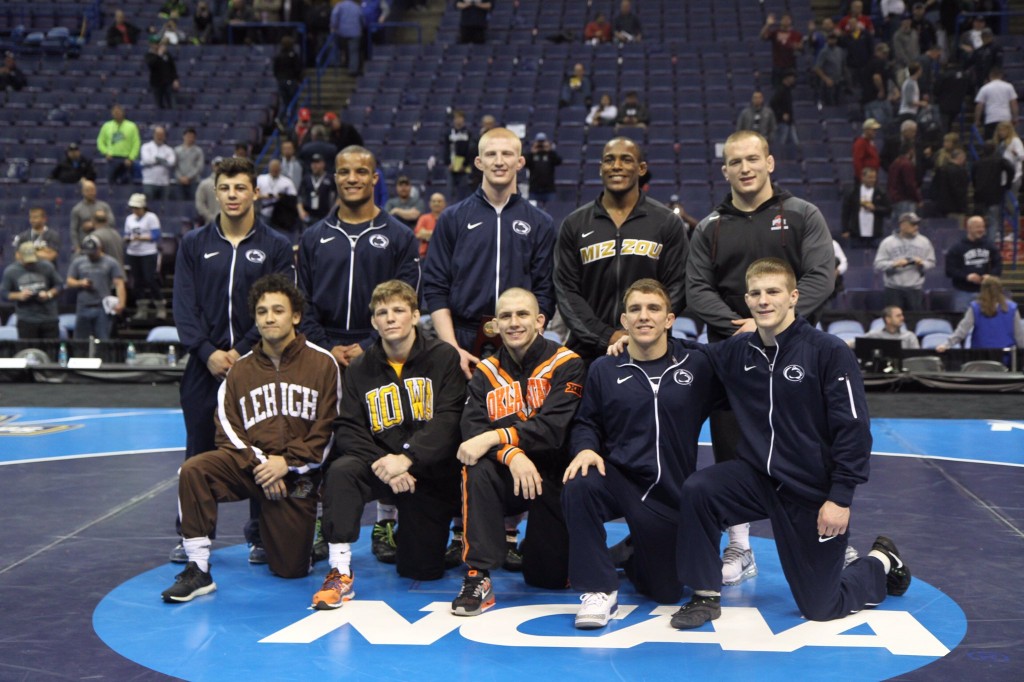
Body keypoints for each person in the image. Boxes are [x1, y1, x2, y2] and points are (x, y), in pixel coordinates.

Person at [671, 257, 910, 630]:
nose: (764, 300)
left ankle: (880, 561)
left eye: (773, 292)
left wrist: (840, 497)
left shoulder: (828, 351)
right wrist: (637, 339)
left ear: (793, 297)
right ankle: (704, 594)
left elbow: (854, 429)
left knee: (822, 606)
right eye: (756, 293)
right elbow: (688, 353)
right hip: (757, 479)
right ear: (746, 301)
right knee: (701, 489)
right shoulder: (738, 352)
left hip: (811, 490)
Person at [686, 130, 835, 586]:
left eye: (753, 159)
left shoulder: (802, 214)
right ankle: (741, 547)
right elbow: (697, 289)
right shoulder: (711, 226)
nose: (745, 168)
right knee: (733, 448)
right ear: (725, 169)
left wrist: (774, 320)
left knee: (805, 445)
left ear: (770, 163)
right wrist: (744, 326)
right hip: (733, 360)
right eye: (736, 162)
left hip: (797, 353)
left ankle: (825, 536)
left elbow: (821, 277)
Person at [161, 274, 340, 603]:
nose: (269, 318)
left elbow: (328, 429)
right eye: (261, 312)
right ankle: (198, 567)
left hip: (295, 476)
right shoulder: (240, 370)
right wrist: (263, 464)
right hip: (251, 469)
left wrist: (286, 464)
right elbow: (227, 428)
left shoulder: (323, 363)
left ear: (295, 316)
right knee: (195, 470)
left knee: (291, 569)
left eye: (278, 310)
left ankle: (302, 535)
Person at [564, 279, 716, 629]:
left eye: (653, 309)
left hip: (669, 494)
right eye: (635, 310)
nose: (644, 316)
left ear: (669, 319)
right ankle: (598, 590)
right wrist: (586, 448)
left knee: (664, 592)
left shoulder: (697, 364)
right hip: (620, 479)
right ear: (624, 320)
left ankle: (632, 551)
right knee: (580, 483)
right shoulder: (604, 368)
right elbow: (587, 420)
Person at [171, 157, 296, 564]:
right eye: (225, 188)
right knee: (199, 450)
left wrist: (241, 352)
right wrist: (206, 353)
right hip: (202, 367)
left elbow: (276, 306)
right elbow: (183, 306)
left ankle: (260, 534)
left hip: (257, 364)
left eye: (241, 187)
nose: (233, 195)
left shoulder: (275, 245)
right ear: (215, 192)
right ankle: (193, 536)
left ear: (255, 193)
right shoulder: (193, 244)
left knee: (261, 447)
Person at [311, 280, 465, 608]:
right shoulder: (359, 367)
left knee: (420, 569)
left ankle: (453, 534)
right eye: (382, 312)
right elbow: (349, 428)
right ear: (373, 322)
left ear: (415, 316)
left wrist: (408, 458)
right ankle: (339, 570)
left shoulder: (443, 357)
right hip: (381, 467)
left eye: (398, 310)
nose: (390, 318)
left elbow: (449, 420)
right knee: (341, 470)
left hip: (429, 471)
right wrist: (387, 464)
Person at [450, 287, 585, 616]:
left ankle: (542, 547)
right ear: (494, 325)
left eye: (522, 314)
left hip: (553, 474)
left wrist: (499, 438)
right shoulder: (485, 373)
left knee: (547, 578)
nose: (514, 322)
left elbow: (553, 429)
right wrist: (512, 454)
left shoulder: (567, 363)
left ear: (540, 321)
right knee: (476, 467)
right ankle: (477, 575)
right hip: (508, 474)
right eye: (505, 316)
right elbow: (472, 437)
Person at [422, 127, 556, 379]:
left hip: (520, 338)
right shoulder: (453, 218)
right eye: (491, 154)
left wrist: (530, 343)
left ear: (520, 162)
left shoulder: (541, 222)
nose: (499, 161)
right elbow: (435, 286)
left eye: (507, 154)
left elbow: (545, 290)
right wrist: (451, 347)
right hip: (461, 338)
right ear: (478, 162)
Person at [554, 138, 687, 363]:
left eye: (626, 159)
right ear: (600, 169)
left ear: (641, 168)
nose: (616, 166)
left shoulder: (666, 222)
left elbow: (678, 286)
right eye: (609, 160)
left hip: (651, 348)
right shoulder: (575, 224)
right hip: (587, 351)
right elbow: (566, 292)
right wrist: (607, 335)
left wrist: (642, 331)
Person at [297, 145, 420, 370]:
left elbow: (407, 300)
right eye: (344, 172)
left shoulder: (401, 236)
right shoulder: (313, 237)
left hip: (383, 347)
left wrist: (370, 343)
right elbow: (302, 300)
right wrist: (325, 346)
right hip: (322, 351)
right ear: (335, 178)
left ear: (374, 178)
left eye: (361, 172)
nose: (352, 179)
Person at [937, 277, 1024, 356]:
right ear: (1000, 289)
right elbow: (1019, 336)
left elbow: (962, 330)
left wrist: (946, 344)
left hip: (980, 356)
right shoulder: (1012, 308)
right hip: (1006, 356)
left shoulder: (975, 307)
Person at [64, 236, 127, 341]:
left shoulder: (111, 262)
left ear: (100, 247)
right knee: (80, 340)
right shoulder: (78, 262)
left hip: (102, 307)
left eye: (93, 252)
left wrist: (121, 303)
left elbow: (119, 284)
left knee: (103, 339)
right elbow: (69, 281)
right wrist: (80, 283)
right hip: (83, 306)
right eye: (88, 252)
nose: (91, 255)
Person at [873, 211, 935, 311]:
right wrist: (894, 264)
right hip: (893, 289)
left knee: (914, 321)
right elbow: (878, 264)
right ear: (902, 225)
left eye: (917, 224)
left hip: (915, 289)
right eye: (913, 224)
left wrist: (922, 263)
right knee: (894, 320)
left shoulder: (924, 242)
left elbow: (931, 262)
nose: (916, 227)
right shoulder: (888, 242)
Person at [0, 242, 62, 340]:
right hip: (26, 319)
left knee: (51, 352)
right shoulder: (11, 271)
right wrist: (19, 295)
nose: (30, 263)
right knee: (28, 352)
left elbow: (59, 285)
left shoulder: (47, 266)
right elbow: (4, 293)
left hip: (49, 318)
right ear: (19, 255)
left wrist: (49, 294)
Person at [945, 215, 1002, 313]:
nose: (981, 230)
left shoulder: (990, 246)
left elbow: (998, 265)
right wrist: (967, 276)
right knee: (961, 320)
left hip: (986, 292)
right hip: (963, 292)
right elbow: (949, 270)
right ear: (969, 228)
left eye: (983, 227)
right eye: (978, 227)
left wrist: (990, 276)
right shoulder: (956, 248)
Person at [122, 193, 165, 321]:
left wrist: (140, 238)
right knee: (137, 281)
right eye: (133, 208)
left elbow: (156, 235)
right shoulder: (129, 218)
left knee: (150, 279)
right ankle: (142, 308)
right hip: (133, 252)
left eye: (137, 208)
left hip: (148, 252)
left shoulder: (151, 217)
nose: (135, 210)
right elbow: (126, 233)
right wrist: (127, 239)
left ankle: (160, 306)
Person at [841, 166, 891, 248]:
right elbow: (846, 212)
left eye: (874, 177)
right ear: (863, 177)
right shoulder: (853, 192)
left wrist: (875, 208)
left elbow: (888, 210)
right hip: (856, 233)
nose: (873, 180)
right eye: (870, 177)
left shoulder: (881, 192)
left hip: (875, 234)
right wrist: (845, 229)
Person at [96, 104, 141, 186]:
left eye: (118, 112)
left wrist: (131, 158)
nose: (117, 113)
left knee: (127, 184)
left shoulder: (131, 126)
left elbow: (136, 143)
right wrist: (105, 152)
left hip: (126, 159)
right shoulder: (106, 126)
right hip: (112, 159)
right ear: (112, 113)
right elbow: (100, 141)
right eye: (115, 112)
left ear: (123, 113)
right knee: (111, 183)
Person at [974, 67, 1018, 141]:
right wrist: (1015, 118)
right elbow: (1014, 104)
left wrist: (977, 120)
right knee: (1006, 142)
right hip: (1005, 118)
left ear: (990, 76)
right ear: (1001, 76)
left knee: (991, 143)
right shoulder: (1008, 87)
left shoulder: (985, 88)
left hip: (991, 119)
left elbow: (979, 105)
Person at [760, 12, 803, 89]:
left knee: (788, 91)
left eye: (788, 19)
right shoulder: (776, 32)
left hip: (790, 67)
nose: (786, 21)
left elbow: (801, 50)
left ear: (791, 21)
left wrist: (797, 47)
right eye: (784, 19)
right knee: (777, 90)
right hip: (777, 67)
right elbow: (762, 37)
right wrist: (768, 25)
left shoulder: (796, 34)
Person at [256, 158, 299, 230]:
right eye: (273, 169)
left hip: (280, 214)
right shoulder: (261, 179)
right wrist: (264, 196)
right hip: (264, 211)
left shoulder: (287, 181)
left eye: (276, 169)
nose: (274, 171)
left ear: (280, 169)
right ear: (269, 168)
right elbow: (253, 195)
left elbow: (293, 197)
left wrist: (282, 196)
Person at [296, 153, 336, 227]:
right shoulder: (306, 179)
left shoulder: (330, 179)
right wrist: (301, 211)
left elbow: (337, 198)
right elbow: (299, 196)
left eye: (317, 162)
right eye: (313, 163)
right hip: (308, 215)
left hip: (325, 215)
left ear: (323, 164)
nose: (314, 165)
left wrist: (331, 213)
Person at [854, 305, 920, 349]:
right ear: (888, 319)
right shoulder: (874, 335)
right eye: (898, 316)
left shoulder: (910, 336)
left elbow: (917, 357)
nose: (902, 318)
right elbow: (855, 343)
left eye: (902, 315)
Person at [140, 126, 177, 202]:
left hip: (164, 182)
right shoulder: (146, 147)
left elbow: (171, 162)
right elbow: (147, 160)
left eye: (162, 135)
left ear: (164, 136)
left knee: (164, 206)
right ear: (153, 135)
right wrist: (162, 160)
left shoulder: (169, 149)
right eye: (158, 134)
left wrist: (156, 160)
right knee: (149, 205)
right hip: (149, 181)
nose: (159, 137)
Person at [524, 133, 562, 206]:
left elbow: (559, 161)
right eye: (539, 142)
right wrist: (532, 153)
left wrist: (550, 150)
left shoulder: (550, 155)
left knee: (552, 211)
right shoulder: (532, 155)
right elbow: (523, 163)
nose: (541, 144)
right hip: (534, 190)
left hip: (549, 190)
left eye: (542, 142)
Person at [330, 0, 364, 76]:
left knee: (340, 48)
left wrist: (333, 27)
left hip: (342, 32)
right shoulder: (357, 7)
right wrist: (362, 27)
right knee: (354, 51)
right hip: (355, 32)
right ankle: (353, 70)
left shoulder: (339, 6)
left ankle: (340, 64)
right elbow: (362, 18)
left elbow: (334, 16)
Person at [813, 31, 847, 106]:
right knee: (830, 105)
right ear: (827, 40)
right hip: (828, 83)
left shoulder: (840, 50)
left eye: (834, 39)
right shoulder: (824, 52)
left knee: (839, 104)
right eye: (830, 39)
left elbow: (843, 66)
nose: (832, 40)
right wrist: (826, 79)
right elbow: (817, 68)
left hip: (839, 81)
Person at [145, 39, 180, 110]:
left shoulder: (166, 54)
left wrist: (175, 79)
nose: (156, 45)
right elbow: (152, 64)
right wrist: (159, 55)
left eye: (157, 43)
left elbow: (172, 67)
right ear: (151, 45)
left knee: (172, 105)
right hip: (156, 84)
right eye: (154, 44)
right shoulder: (149, 55)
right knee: (159, 105)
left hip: (168, 82)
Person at [174, 128, 205, 201]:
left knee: (194, 202)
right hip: (179, 182)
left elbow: (199, 167)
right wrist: (180, 177)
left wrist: (188, 177)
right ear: (183, 136)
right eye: (188, 136)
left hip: (193, 182)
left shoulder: (198, 151)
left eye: (192, 137)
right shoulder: (177, 150)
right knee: (179, 203)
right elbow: (175, 166)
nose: (190, 138)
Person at [273, 35, 304, 109]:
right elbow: (297, 68)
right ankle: (290, 118)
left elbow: (275, 70)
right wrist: (299, 79)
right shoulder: (293, 56)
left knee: (285, 102)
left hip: (281, 81)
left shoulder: (278, 55)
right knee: (292, 101)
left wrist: (279, 78)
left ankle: (281, 118)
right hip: (291, 80)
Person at [995, 120, 1024, 196]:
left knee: (1010, 203)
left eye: (1003, 130)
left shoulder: (1016, 141)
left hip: (1014, 177)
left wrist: (1016, 154)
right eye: (999, 130)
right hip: (1002, 178)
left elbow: (1022, 157)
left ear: (1009, 130)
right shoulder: (1001, 143)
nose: (1000, 132)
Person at [414, 192, 445, 260]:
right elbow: (419, 234)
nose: (436, 203)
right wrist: (438, 235)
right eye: (434, 201)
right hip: (424, 257)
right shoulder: (424, 218)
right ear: (429, 204)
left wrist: (427, 234)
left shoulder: (448, 219)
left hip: (443, 256)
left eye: (439, 201)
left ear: (444, 204)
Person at [194, 156, 223, 225]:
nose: (219, 167)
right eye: (217, 165)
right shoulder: (204, 184)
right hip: (210, 224)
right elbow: (200, 204)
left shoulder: (231, 184)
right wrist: (210, 217)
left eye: (221, 165)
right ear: (213, 166)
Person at [852, 118, 882, 183]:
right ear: (867, 130)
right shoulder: (860, 143)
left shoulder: (870, 142)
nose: (875, 132)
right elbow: (857, 162)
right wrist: (862, 178)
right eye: (873, 130)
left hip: (871, 179)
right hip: (865, 181)